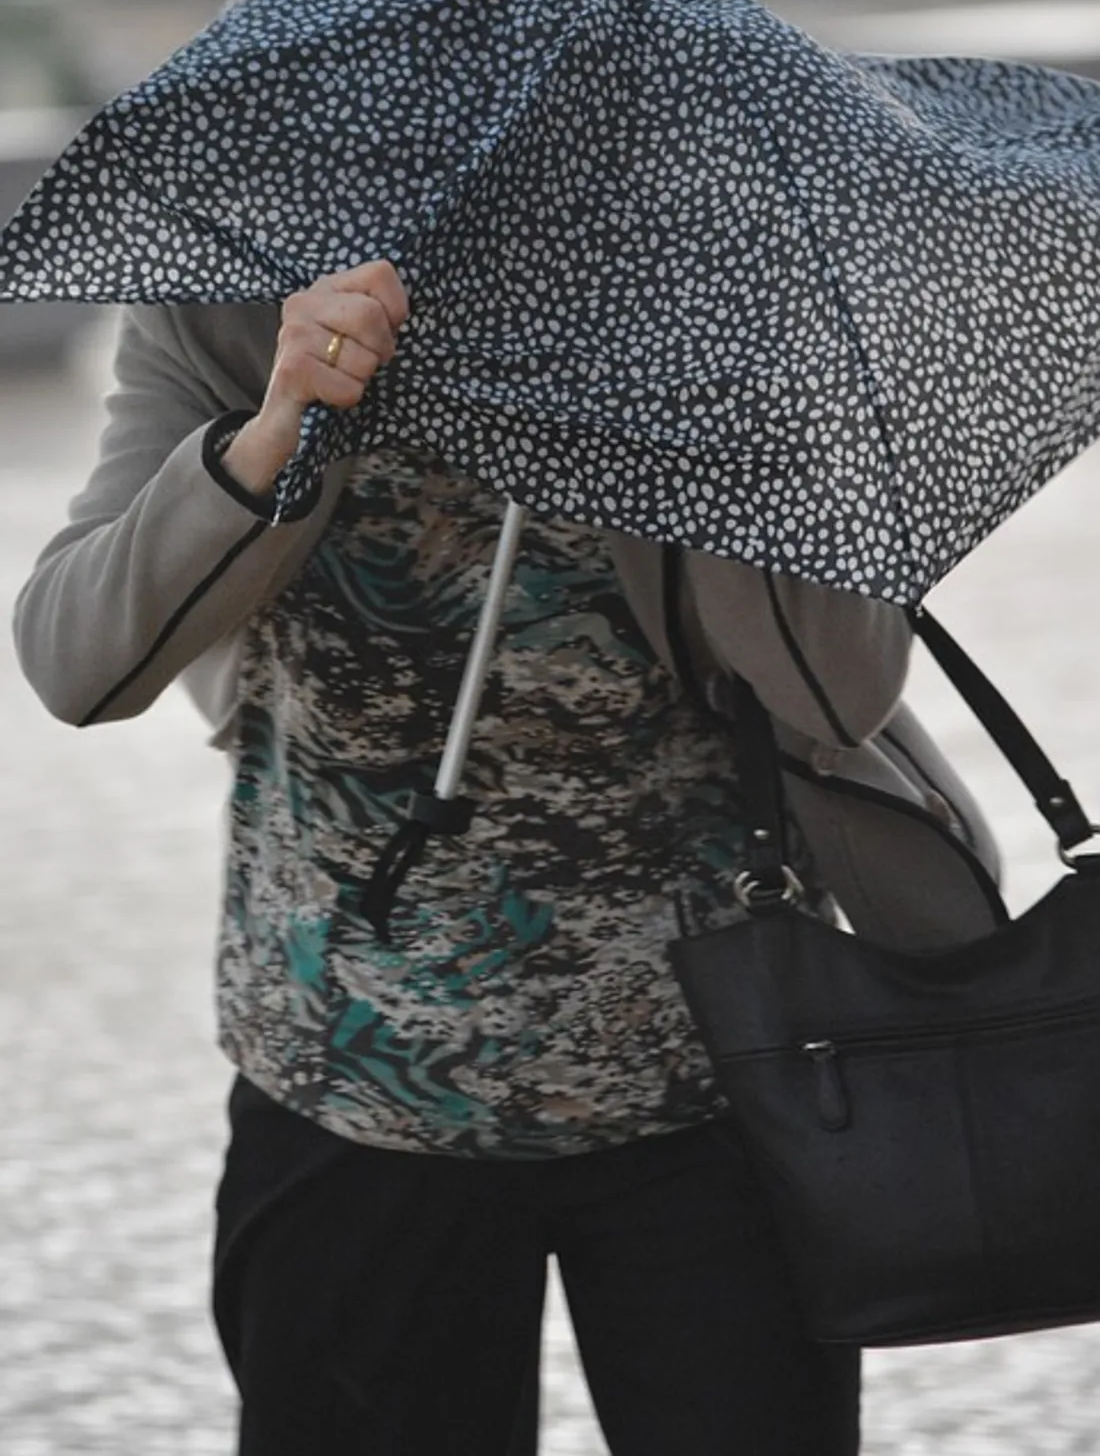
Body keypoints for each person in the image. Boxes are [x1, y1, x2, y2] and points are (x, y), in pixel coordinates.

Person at [13, 260, 1003, 1455]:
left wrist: (729, 423)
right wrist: (274, 432)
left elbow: (833, 690)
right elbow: (76, 660)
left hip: (713, 1075)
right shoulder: (225, 314)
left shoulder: (730, 312)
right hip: (351, 1076)